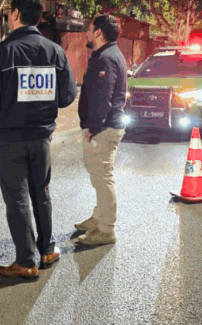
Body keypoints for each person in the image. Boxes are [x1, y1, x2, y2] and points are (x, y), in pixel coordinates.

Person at [0, 0, 77, 281]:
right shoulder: (54, 51)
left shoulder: (0, 53)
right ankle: (47, 250)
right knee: (41, 193)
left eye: (9, 11)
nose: (8, 16)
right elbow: (67, 95)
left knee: (17, 199)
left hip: (7, 140)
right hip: (41, 137)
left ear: (17, 14)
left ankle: (26, 261)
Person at [75, 14, 127, 246]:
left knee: (103, 177)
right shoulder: (108, 55)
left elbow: (103, 97)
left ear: (98, 33)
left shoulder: (106, 58)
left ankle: (106, 229)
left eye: (89, 28)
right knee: (99, 176)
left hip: (104, 128)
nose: (87, 32)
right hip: (106, 126)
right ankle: (99, 218)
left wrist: (93, 126)